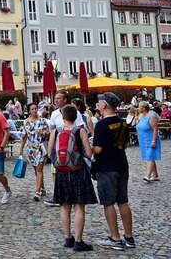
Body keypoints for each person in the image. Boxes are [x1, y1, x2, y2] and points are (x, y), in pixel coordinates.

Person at [47, 104, 96, 252]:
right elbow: (88, 153)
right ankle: (79, 241)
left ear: (63, 117)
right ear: (76, 117)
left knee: (64, 205)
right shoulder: (79, 131)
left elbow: (50, 154)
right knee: (79, 205)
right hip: (78, 171)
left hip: (61, 172)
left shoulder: (55, 132)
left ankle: (68, 238)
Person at [93, 92, 134, 250]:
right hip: (122, 164)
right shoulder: (122, 122)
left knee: (108, 202)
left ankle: (115, 238)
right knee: (123, 201)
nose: (97, 105)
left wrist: (87, 146)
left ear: (104, 105)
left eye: (99, 102)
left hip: (106, 167)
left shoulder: (102, 124)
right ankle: (129, 237)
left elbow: (98, 149)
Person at [44, 91, 87, 207]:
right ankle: (57, 195)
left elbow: (81, 127)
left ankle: (72, 196)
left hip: (73, 148)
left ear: (65, 100)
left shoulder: (75, 112)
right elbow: (51, 129)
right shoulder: (54, 114)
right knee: (55, 172)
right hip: (58, 148)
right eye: (55, 98)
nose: (56, 100)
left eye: (58, 98)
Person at [19, 103, 49, 200]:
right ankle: (42, 188)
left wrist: (43, 133)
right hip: (30, 148)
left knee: (39, 169)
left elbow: (48, 135)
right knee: (36, 170)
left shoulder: (42, 121)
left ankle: (37, 192)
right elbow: (24, 136)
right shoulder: (26, 122)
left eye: (36, 108)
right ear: (29, 111)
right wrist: (21, 149)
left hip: (40, 148)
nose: (35, 110)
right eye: (32, 109)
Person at [135, 101, 161, 182]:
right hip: (143, 140)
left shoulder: (151, 117)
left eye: (139, 107)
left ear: (143, 108)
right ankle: (155, 174)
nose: (138, 108)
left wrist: (154, 140)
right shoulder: (141, 117)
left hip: (151, 139)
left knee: (150, 156)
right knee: (149, 157)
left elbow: (155, 129)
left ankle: (147, 175)